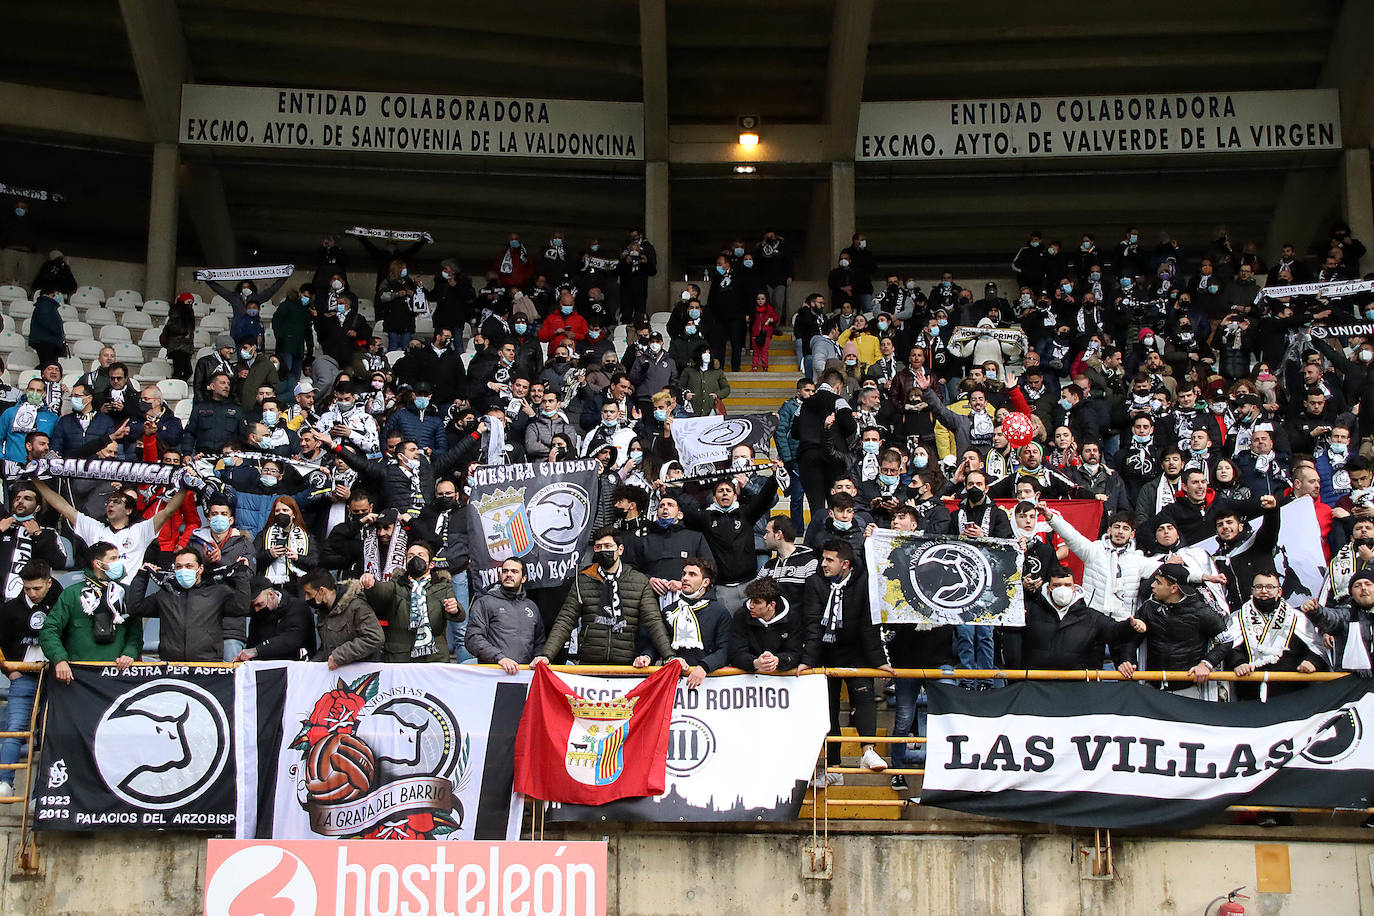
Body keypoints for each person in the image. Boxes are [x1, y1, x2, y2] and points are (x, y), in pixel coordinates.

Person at [799, 540, 893, 780]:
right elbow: (812, 624)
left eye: (830, 560)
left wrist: (879, 660)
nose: (823, 564)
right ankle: (835, 767)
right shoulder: (814, 582)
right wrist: (807, 660)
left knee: (863, 697)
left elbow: (868, 624)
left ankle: (868, 751)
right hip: (825, 654)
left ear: (845, 564)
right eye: (823, 559)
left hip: (856, 652)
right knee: (827, 712)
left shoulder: (863, 582)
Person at [534, 528, 675, 667]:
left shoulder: (639, 581)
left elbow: (653, 622)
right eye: (598, 547)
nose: (603, 551)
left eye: (608, 546)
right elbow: (565, 620)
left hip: (627, 666)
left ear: (620, 550)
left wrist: (669, 656)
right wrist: (546, 655)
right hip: (589, 665)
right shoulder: (583, 580)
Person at [34, 477, 187, 586]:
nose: (110, 505)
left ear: (128, 510)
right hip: (98, 590)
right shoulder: (94, 528)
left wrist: (185, 487)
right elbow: (64, 507)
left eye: (117, 502)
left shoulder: (141, 530)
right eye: (109, 501)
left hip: (128, 592)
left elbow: (168, 511)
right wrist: (36, 480)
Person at [1205, 568, 1326, 701]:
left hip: (1292, 692)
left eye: (1269, 587)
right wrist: (1238, 663)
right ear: (1252, 591)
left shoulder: (1297, 618)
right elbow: (1229, 646)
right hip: (1250, 693)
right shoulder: (1238, 618)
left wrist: (1311, 661)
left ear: (1279, 591)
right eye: (1258, 587)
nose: (1264, 591)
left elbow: (1316, 647)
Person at [1118, 563, 1227, 699]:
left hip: (1187, 691)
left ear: (1174, 588)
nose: (1152, 585)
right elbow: (1131, 639)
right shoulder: (1149, 607)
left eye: (1158, 582)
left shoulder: (1202, 611)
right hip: (1151, 688)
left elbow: (1226, 640)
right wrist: (1127, 660)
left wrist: (1206, 664)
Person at [127, 546, 251, 663]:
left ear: (200, 569)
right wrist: (142, 576)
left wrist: (241, 574)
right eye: (179, 567)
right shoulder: (165, 594)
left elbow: (241, 607)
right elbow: (135, 607)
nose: (183, 570)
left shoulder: (218, 592)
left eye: (189, 566)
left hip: (208, 665)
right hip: (171, 666)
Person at [678, 470, 779, 613]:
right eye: (720, 491)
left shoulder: (746, 513)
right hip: (721, 588)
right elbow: (686, 510)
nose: (725, 493)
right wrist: (667, 492)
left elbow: (764, 499)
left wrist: (774, 478)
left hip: (748, 584)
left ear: (735, 496)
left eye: (728, 490)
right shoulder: (706, 518)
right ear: (714, 498)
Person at [0, 559, 61, 796]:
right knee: (15, 728)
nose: (32, 593)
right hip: (23, 676)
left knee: (49, 732)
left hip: (54, 677)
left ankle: (41, 792)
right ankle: (4, 780)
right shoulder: (10, 610)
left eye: (37, 588)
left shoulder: (61, 604)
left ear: (49, 582)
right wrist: (10, 671)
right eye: (27, 589)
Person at [39, 542, 142, 681]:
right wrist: (60, 659)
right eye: (113, 559)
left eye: (118, 558)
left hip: (118, 676)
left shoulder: (127, 593)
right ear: (98, 564)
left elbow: (135, 633)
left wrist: (130, 654)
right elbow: (49, 630)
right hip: (79, 677)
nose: (118, 563)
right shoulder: (72, 594)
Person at [1006, 566, 1136, 670]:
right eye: (1057, 585)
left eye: (1067, 585)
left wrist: (1131, 625)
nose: (1062, 589)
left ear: (1074, 588)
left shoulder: (1091, 616)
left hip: (1077, 688)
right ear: (1048, 587)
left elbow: (1116, 632)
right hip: (1034, 686)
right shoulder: (1029, 612)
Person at [362, 539, 464, 662]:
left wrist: (454, 610)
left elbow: (459, 616)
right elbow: (381, 591)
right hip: (401, 657)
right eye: (410, 556)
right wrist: (372, 584)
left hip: (434, 657)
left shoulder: (443, 586)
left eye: (420, 555)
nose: (415, 558)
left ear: (431, 564)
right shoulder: (396, 584)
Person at [651, 556, 731, 688]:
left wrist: (704, 666)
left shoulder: (720, 612)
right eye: (684, 574)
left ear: (705, 582)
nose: (685, 578)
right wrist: (646, 656)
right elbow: (657, 643)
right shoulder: (669, 611)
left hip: (709, 683)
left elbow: (725, 650)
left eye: (692, 574)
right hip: (672, 682)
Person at [465, 557, 545, 673]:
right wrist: (499, 658)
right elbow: (473, 638)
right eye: (505, 571)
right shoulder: (485, 602)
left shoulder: (532, 607)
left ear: (523, 578)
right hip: (494, 675)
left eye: (514, 571)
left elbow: (539, 643)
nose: (508, 574)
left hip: (525, 676)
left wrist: (539, 658)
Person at [301, 567, 384, 669]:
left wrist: (340, 655)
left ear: (322, 591)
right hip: (338, 673)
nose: (306, 598)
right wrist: (312, 666)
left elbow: (375, 638)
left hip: (361, 672)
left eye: (309, 593)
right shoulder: (323, 611)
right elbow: (326, 648)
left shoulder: (357, 606)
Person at [729, 575, 804, 673]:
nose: (751, 605)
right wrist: (754, 663)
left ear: (771, 605)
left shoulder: (792, 618)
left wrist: (778, 660)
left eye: (757, 602)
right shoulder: (741, 615)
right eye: (750, 599)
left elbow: (795, 653)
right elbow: (735, 652)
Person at [235, 575, 315, 661]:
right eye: (253, 607)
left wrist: (257, 651)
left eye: (259, 604)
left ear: (271, 594)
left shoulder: (298, 607)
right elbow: (252, 643)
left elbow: (291, 640)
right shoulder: (257, 615)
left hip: (296, 667)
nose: (257, 609)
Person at [0, 378, 58, 463]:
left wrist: (49, 463)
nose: (34, 393)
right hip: (12, 467)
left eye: (38, 390)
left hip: (39, 469)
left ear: (44, 394)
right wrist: (2, 462)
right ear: (26, 391)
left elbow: (53, 445)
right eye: (31, 389)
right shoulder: (10, 412)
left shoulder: (52, 418)